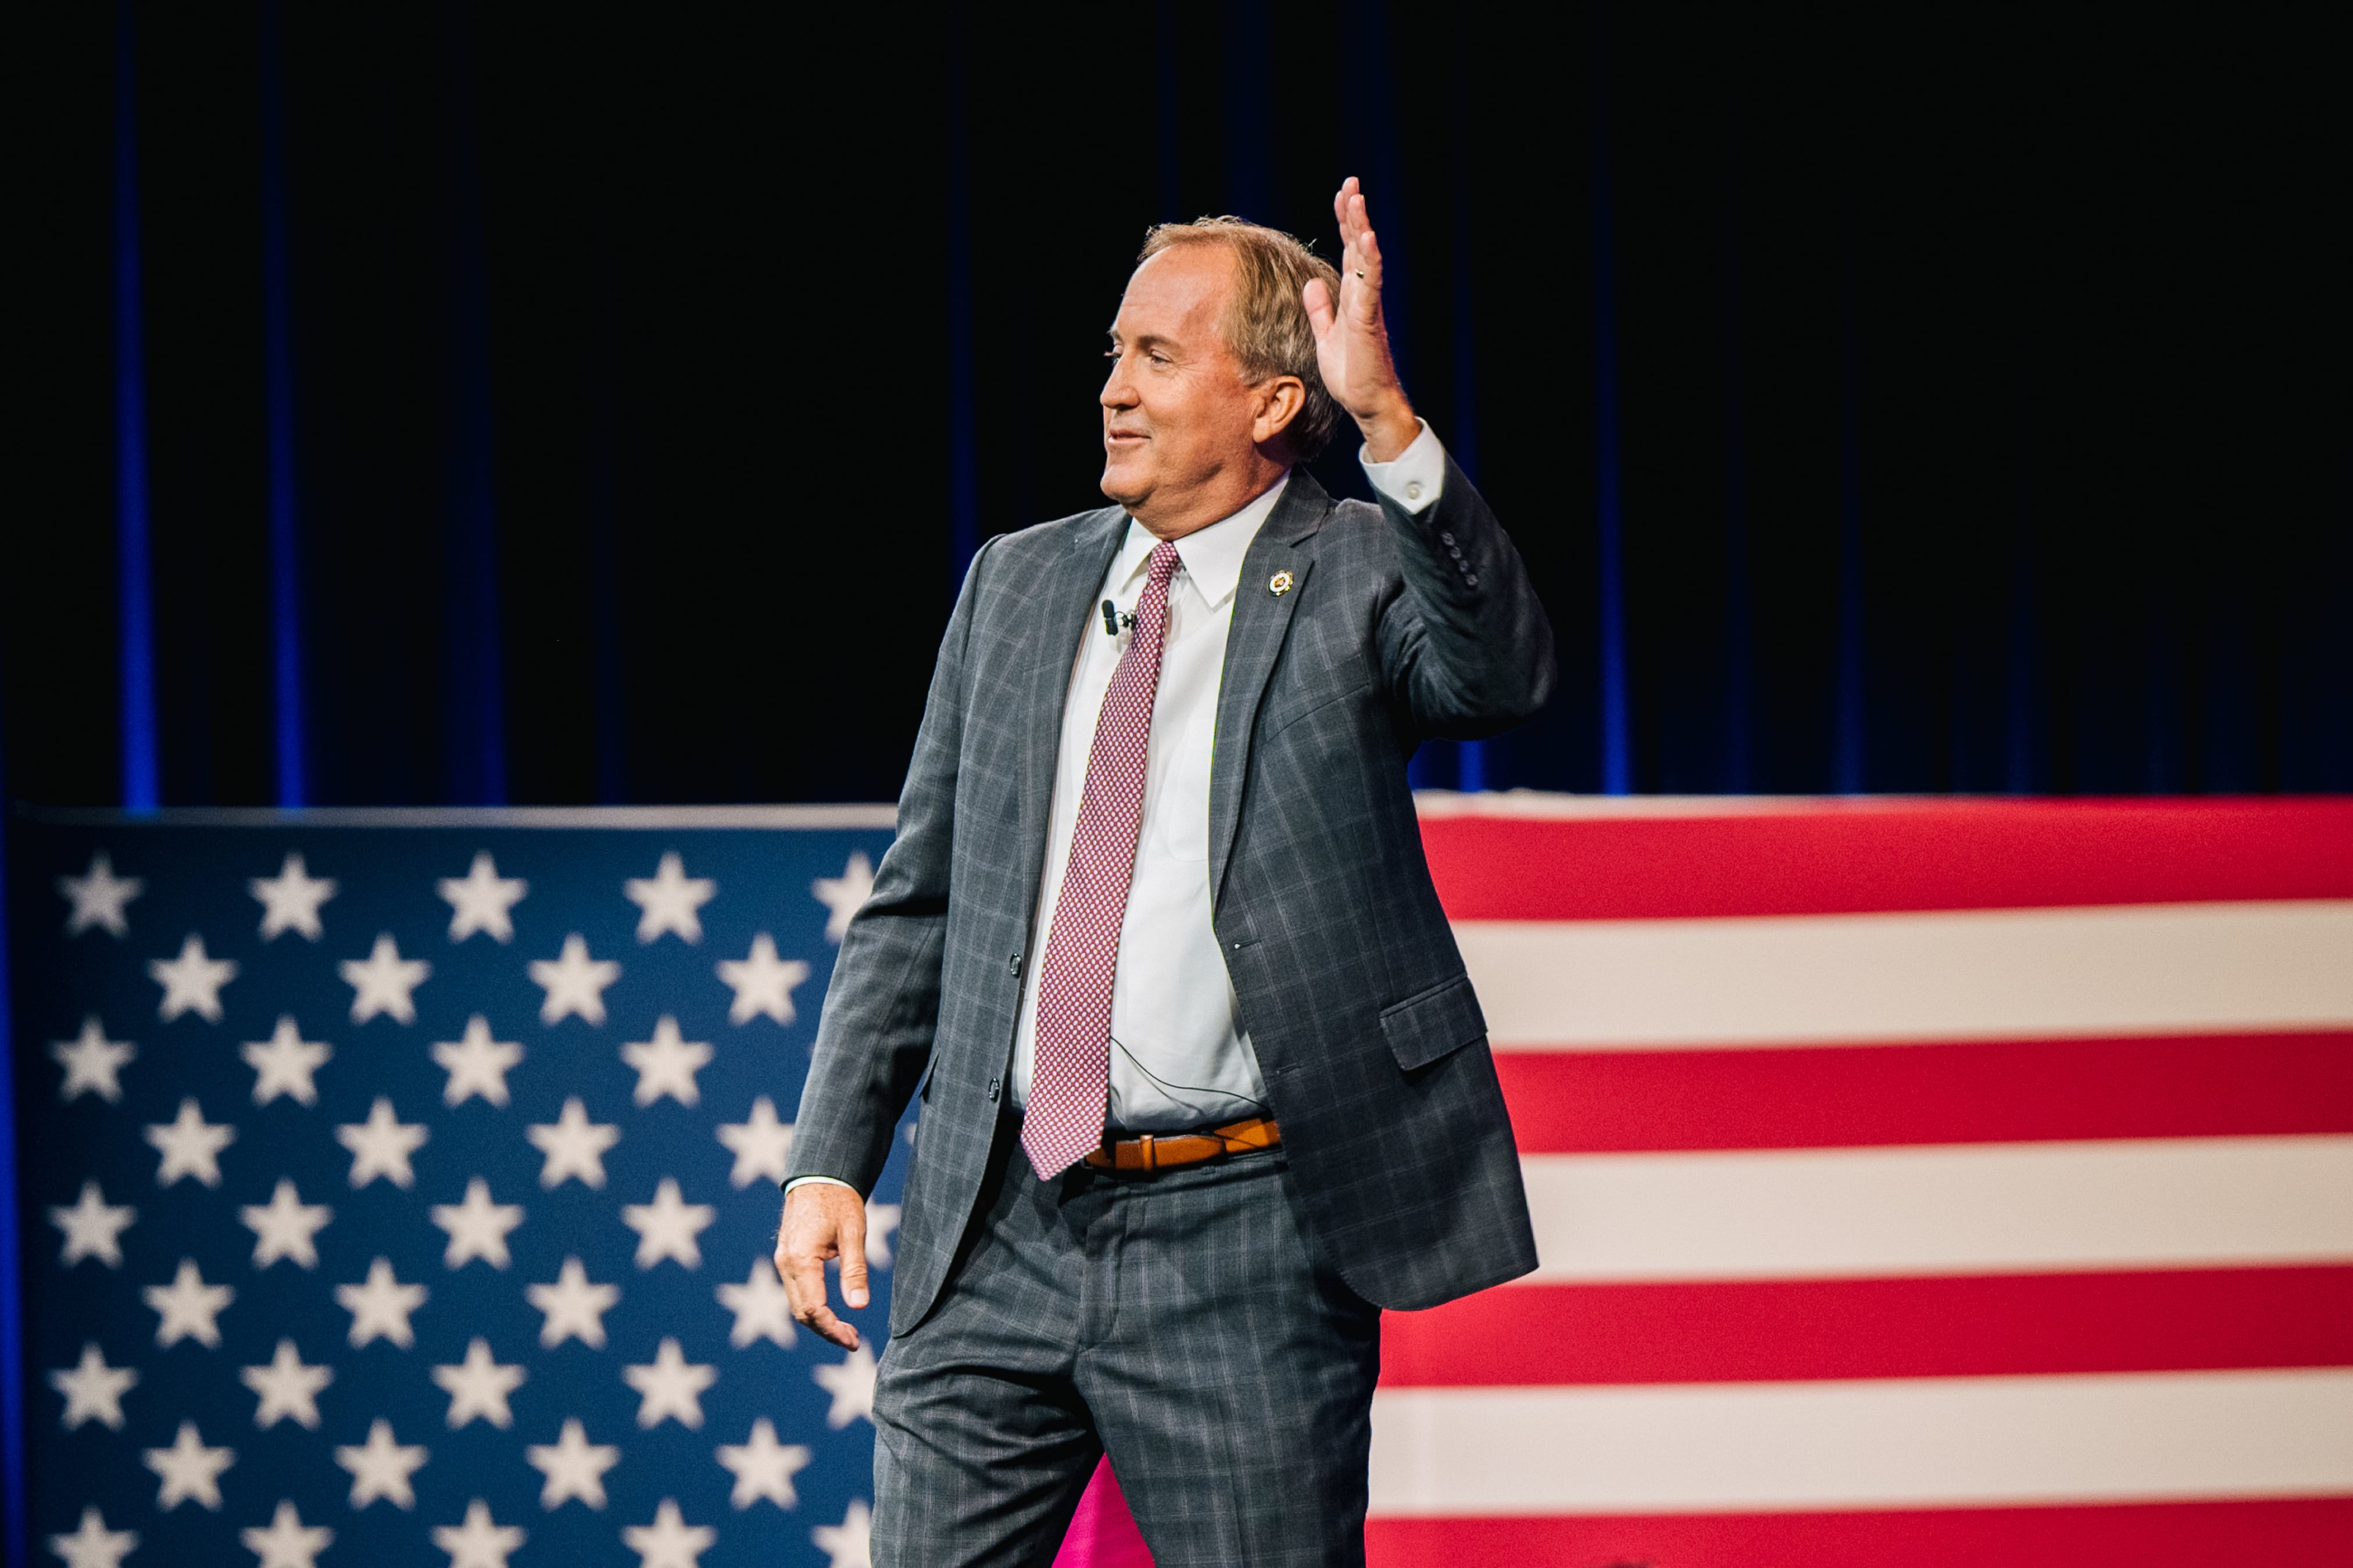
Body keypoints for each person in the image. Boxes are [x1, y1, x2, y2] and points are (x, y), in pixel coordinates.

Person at [775, 177, 1553, 1566]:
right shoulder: (1013, 581)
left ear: (1268, 403)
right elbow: (918, 898)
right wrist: (829, 1156)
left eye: (1156, 355)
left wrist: (1388, 422)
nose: (1112, 390)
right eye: (1111, 354)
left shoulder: (1358, 568)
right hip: (996, 1219)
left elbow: (1499, 673)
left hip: (1247, 1235)